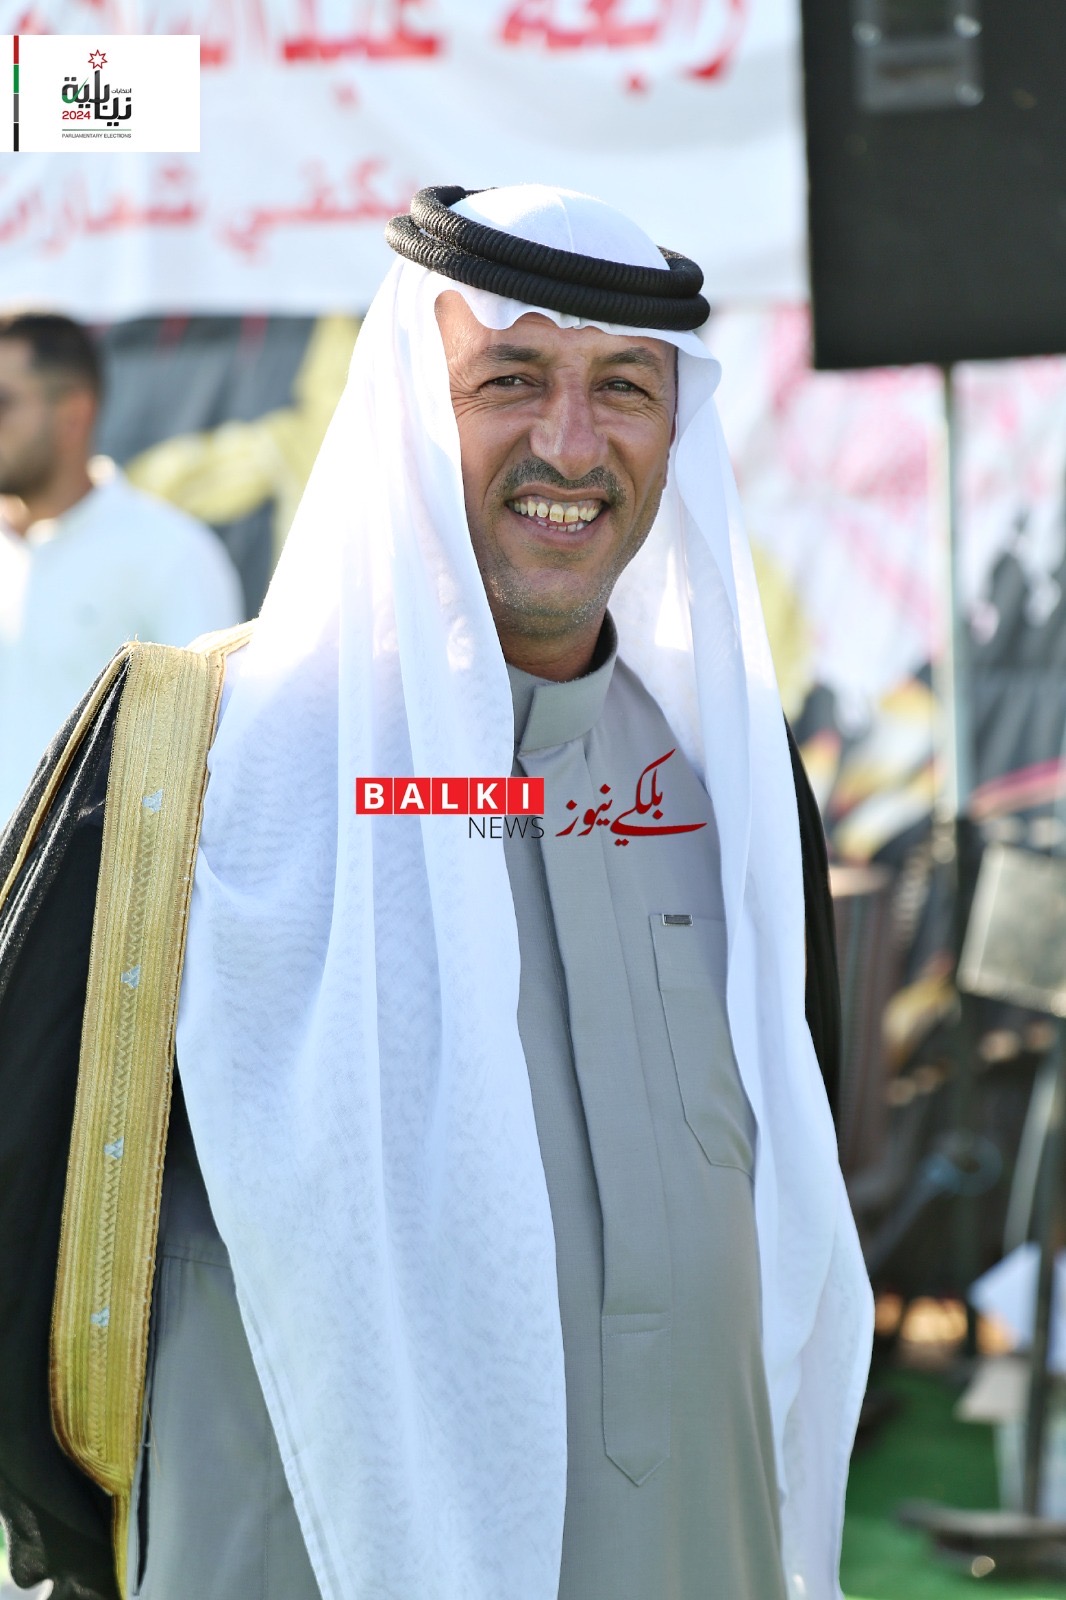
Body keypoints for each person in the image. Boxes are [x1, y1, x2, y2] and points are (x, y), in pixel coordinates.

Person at [0, 187, 872, 1600]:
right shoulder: (197, 758)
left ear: (677, 426)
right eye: (509, 379)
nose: (569, 445)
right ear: (411, 404)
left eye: (624, 388)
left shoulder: (726, 780)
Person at [0, 312, 244, 821]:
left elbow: (209, 762)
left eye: (3, 402)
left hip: (99, 873)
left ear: (73, 414)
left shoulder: (173, 554)